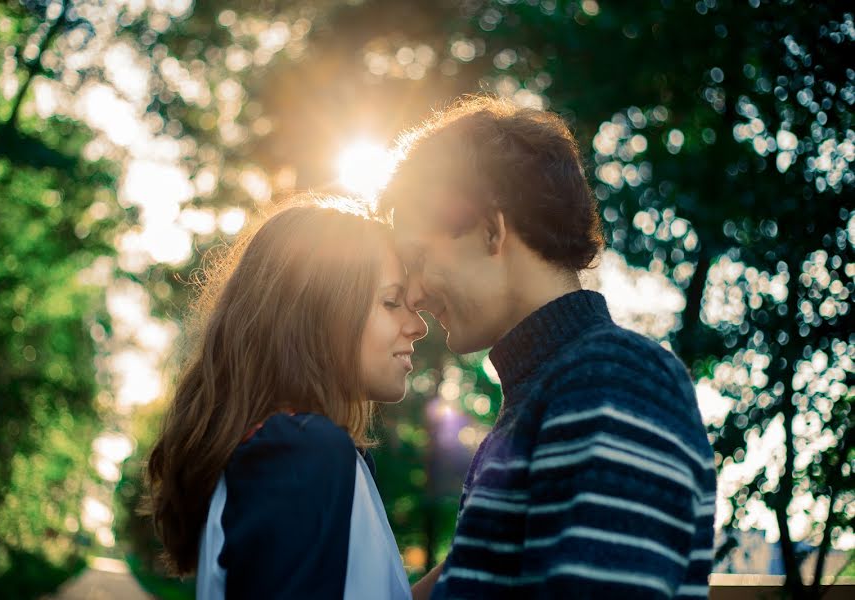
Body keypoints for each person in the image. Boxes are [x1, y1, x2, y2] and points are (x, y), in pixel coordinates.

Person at [378, 96, 716, 599]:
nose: (415, 293)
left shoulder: (615, 377)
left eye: (420, 257)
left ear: (492, 229)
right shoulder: (550, 392)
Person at [145, 199, 427, 599]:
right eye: (390, 302)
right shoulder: (303, 455)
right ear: (320, 311)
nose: (418, 326)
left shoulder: (300, 452)